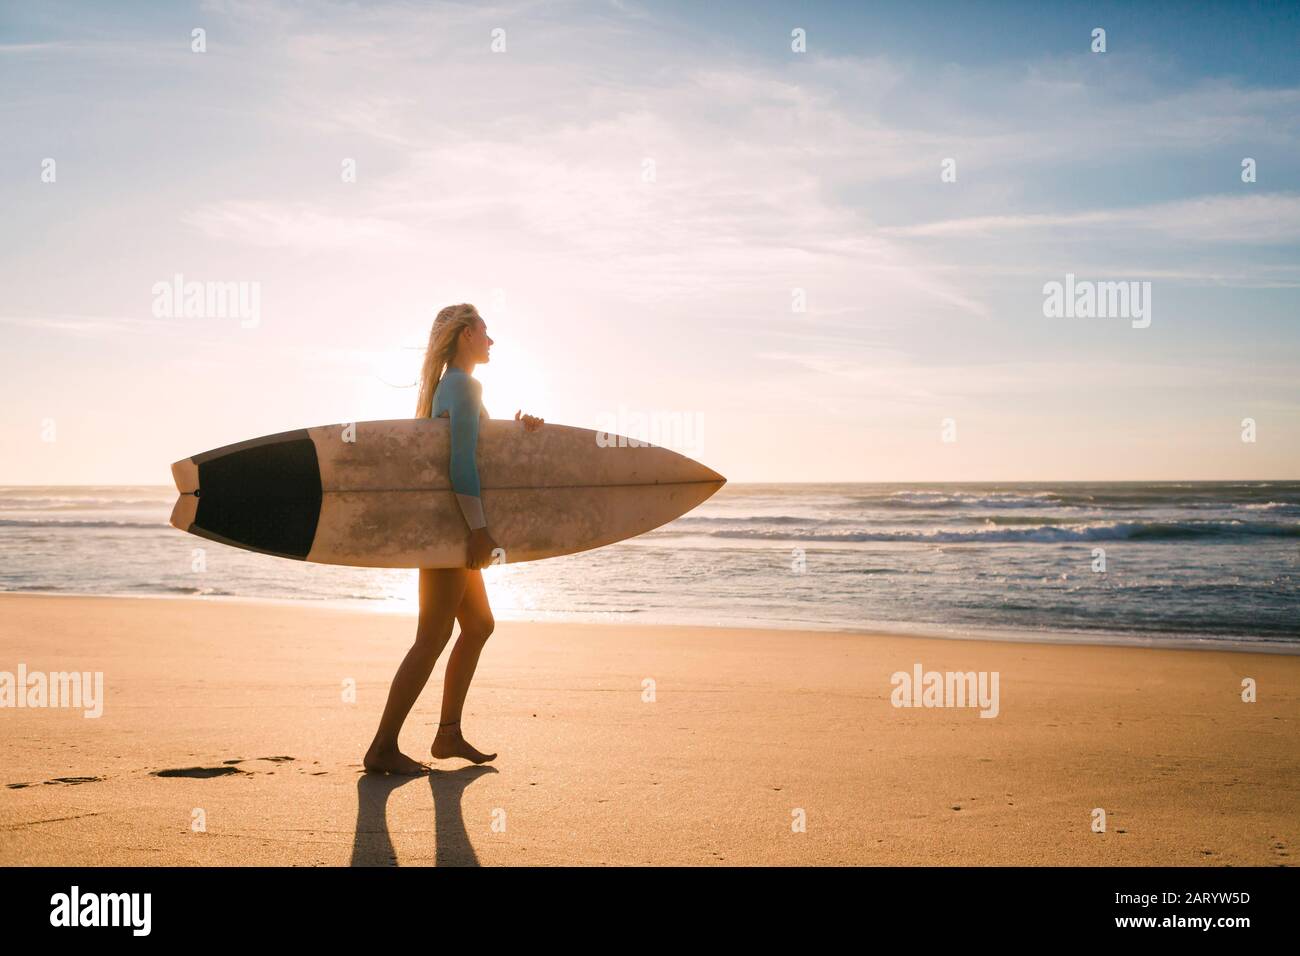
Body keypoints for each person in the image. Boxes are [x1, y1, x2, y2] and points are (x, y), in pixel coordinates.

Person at [363, 303, 543, 774]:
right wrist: (480, 530)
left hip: (447, 526)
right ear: (465, 334)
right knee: (433, 636)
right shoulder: (464, 385)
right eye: (485, 330)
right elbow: (460, 463)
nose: (491, 340)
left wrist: (518, 432)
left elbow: (481, 450)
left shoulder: (451, 387)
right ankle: (383, 745)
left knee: (479, 625)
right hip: (454, 529)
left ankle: (447, 735)